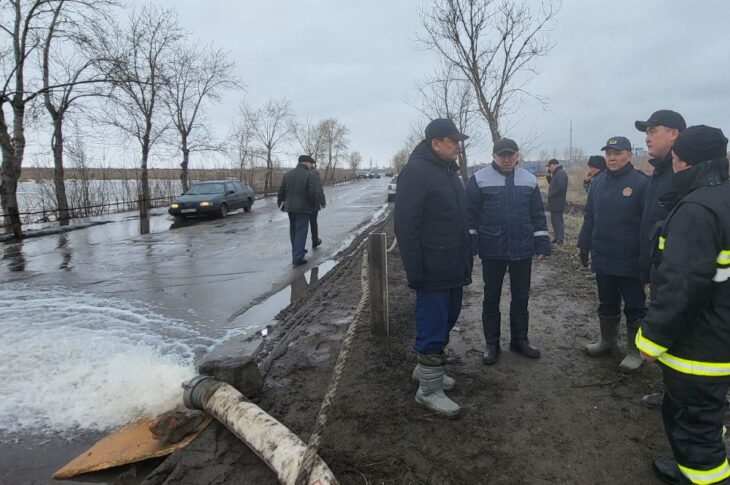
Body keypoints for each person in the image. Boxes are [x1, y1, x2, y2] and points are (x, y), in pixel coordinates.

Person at [636, 125, 730, 485]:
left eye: (675, 159)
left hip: (700, 347)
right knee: (706, 415)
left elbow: (682, 286)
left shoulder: (696, 210)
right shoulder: (723, 198)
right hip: (721, 335)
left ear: (684, 162)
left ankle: (702, 474)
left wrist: (651, 340)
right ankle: (691, 464)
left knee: (694, 425)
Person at [394, 118, 472, 417]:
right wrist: (415, 271)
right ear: (435, 143)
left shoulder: (448, 171)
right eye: (452, 141)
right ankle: (428, 390)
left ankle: (425, 370)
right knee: (433, 325)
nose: (457, 146)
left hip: (452, 264)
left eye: (457, 141)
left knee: (448, 318)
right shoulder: (416, 172)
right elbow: (405, 225)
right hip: (432, 268)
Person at [466, 138, 550, 365]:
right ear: (493, 156)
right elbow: (470, 216)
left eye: (510, 155)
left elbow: (538, 216)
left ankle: (519, 340)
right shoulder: (479, 179)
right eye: (501, 155)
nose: (506, 159)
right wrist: (471, 245)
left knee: (521, 297)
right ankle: (492, 344)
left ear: (517, 156)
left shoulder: (529, 180)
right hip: (492, 250)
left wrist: (542, 243)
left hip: (522, 250)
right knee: (491, 297)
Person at [578, 136, 648, 372]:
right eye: (608, 153)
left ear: (629, 154)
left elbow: (649, 224)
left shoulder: (641, 183)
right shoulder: (598, 183)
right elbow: (589, 216)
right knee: (607, 302)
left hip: (630, 259)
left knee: (635, 307)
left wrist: (647, 257)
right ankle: (607, 341)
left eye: (617, 153)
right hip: (603, 256)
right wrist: (584, 244)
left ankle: (634, 351)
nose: (612, 157)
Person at [634, 109, 686, 409]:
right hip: (659, 269)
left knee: (682, 331)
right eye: (647, 131)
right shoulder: (660, 172)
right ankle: (672, 390)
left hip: (677, 273)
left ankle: (682, 394)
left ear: (675, 134)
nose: (648, 136)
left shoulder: (684, 173)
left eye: (654, 130)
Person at [277, 155, 318, 266]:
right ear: (306, 163)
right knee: (301, 231)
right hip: (303, 208)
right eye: (311, 164)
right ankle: (297, 257)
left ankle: (297, 252)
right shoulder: (309, 175)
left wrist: (280, 203)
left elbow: (281, 191)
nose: (311, 166)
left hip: (290, 207)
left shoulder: (288, 174)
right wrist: (313, 205)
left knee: (294, 231)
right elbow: (312, 193)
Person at [546, 158, 568, 245]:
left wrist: (551, 195)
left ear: (554, 165)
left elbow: (560, 187)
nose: (549, 168)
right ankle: (556, 237)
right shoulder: (556, 173)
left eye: (549, 166)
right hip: (554, 202)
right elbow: (552, 183)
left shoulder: (561, 173)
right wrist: (548, 175)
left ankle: (560, 239)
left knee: (558, 220)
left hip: (558, 202)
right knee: (554, 220)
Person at [309, 158, 326, 249]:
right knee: (313, 223)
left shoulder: (300, 173)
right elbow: (319, 189)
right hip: (313, 204)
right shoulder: (315, 173)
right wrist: (322, 202)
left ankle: (300, 247)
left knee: (302, 226)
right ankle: (315, 240)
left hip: (301, 205)